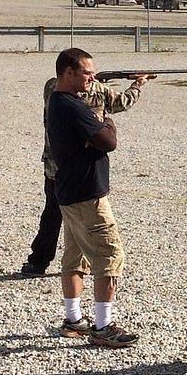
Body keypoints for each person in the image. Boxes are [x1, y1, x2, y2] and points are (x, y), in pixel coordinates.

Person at [44, 48, 138, 348]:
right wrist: (106, 122)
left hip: (69, 191)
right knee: (110, 256)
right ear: (68, 72)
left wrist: (97, 125)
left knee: (75, 255)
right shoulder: (70, 106)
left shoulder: (59, 101)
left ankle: (74, 319)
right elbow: (108, 141)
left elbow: (97, 138)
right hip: (87, 194)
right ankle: (103, 325)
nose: (92, 78)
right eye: (86, 73)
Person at [18, 69, 150, 279]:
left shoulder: (52, 88)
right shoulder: (98, 90)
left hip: (54, 163)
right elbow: (122, 103)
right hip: (83, 171)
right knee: (89, 219)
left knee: (52, 214)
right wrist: (137, 86)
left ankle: (39, 261)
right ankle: (88, 264)